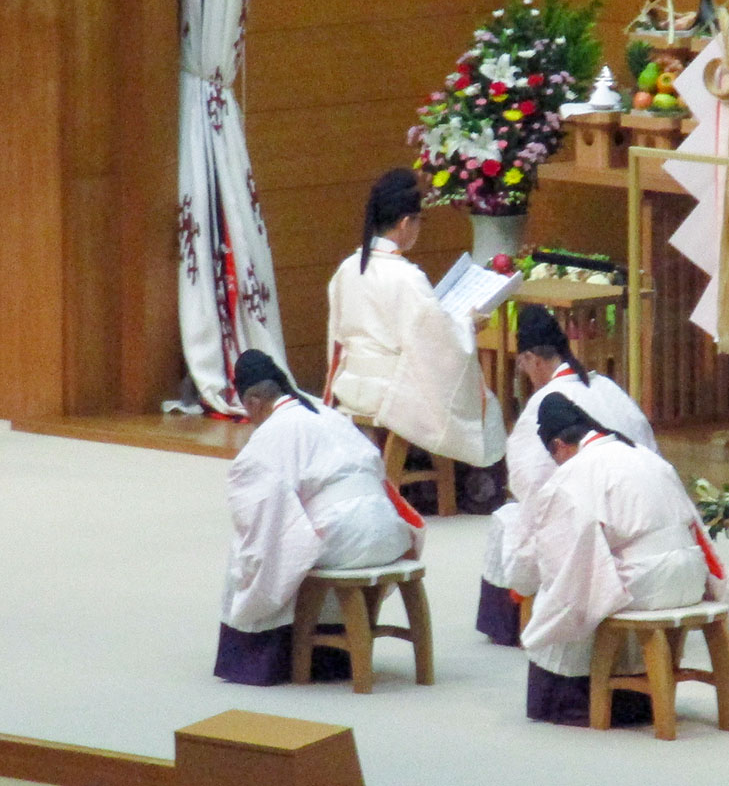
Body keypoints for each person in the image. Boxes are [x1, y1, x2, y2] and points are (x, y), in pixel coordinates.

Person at [214, 350, 424, 686]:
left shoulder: (272, 434)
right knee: (302, 528)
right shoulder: (329, 415)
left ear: (253, 401)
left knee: (254, 544)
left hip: (345, 537)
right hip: (389, 532)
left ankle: (277, 655)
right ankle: (333, 650)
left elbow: (261, 515)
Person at [519, 394, 727, 726]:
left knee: (572, 585)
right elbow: (694, 525)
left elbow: (565, 558)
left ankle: (585, 698)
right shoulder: (645, 456)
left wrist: (527, 583)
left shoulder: (576, 472)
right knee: (598, 572)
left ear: (559, 444)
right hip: (690, 574)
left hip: (646, 582)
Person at [476, 305, 656, 645]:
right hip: (639, 524)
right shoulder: (608, 388)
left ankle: (515, 627)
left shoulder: (544, 403)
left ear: (532, 359)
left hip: (586, 529)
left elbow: (531, 486)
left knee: (507, 520)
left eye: (523, 364)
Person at [325, 168, 506, 470]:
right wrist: (467, 325)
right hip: (389, 392)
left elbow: (338, 338)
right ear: (406, 222)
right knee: (487, 405)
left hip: (350, 381)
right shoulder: (406, 278)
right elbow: (438, 344)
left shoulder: (347, 268)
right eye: (419, 220)